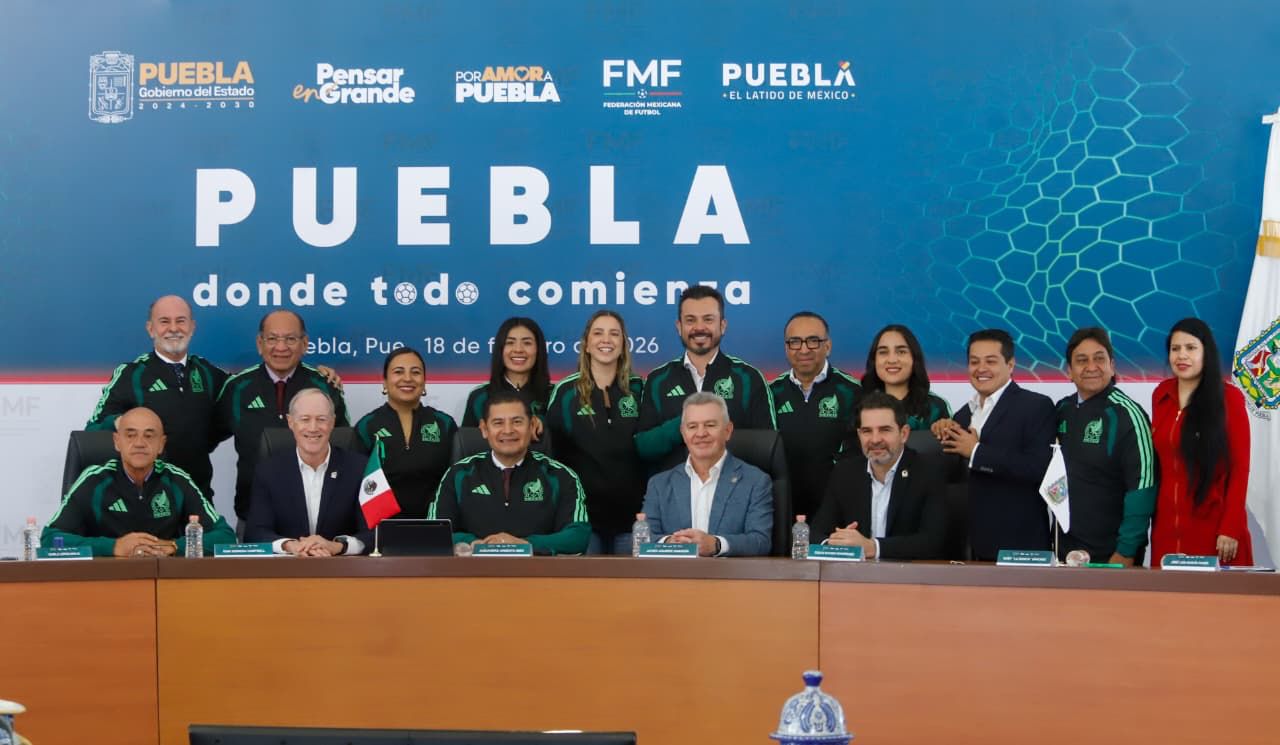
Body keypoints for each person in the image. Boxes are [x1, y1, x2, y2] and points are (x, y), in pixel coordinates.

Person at [85, 295, 228, 498]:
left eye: (180, 321)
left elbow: (230, 417)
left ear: (192, 327)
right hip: (145, 499)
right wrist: (120, 422)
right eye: (164, 321)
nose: (173, 328)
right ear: (151, 329)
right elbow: (93, 429)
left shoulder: (208, 373)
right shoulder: (130, 375)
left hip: (198, 497)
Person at [216, 310, 350, 525]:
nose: (281, 347)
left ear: (304, 344)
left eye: (290, 339)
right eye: (272, 339)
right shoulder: (237, 388)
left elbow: (344, 447)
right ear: (260, 343)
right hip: (254, 516)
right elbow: (205, 437)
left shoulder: (324, 385)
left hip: (318, 517)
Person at [932, 329, 1056, 560]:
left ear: (1010, 365)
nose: (981, 369)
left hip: (1020, 546)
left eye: (990, 361)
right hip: (971, 547)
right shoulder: (961, 415)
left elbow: (1039, 468)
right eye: (974, 362)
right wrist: (942, 432)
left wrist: (976, 452)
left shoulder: (1035, 406)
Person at [43, 407, 234, 556]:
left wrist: (174, 546)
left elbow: (225, 536)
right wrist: (113, 547)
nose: (140, 443)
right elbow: (49, 538)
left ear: (161, 444)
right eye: (130, 435)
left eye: (149, 436)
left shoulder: (177, 480)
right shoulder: (93, 480)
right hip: (105, 580)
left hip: (164, 580)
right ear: (117, 442)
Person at [430, 390, 590, 554]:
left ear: (532, 426)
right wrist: (474, 544)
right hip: (473, 567)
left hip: (538, 568)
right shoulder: (458, 475)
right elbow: (434, 532)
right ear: (484, 429)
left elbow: (578, 536)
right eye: (498, 423)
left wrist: (525, 544)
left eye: (517, 422)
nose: (508, 430)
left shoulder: (561, 476)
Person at [636, 286, 775, 468]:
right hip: (674, 486)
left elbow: (767, 448)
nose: (699, 327)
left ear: (722, 326)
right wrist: (685, 423)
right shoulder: (658, 380)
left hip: (734, 484)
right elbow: (643, 448)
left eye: (708, 319)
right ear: (679, 327)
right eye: (690, 320)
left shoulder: (748, 378)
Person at [1151, 318, 1252, 566]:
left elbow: (1239, 468)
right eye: (1175, 349)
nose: (1182, 355)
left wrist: (1230, 527)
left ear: (1206, 352)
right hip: (1166, 529)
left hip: (1215, 531)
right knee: (1166, 591)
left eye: (1191, 348)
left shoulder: (1229, 398)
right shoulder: (1161, 394)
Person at [1054, 327, 1155, 565]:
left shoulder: (1128, 414)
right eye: (1082, 360)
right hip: (1063, 551)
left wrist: (1126, 551)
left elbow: (1143, 487)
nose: (1091, 367)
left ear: (1112, 366)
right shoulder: (1061, 410)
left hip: (1111, 555)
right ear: (1069, 371)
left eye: (1099, 359)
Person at [547, 310, 646, 554]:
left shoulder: (638, 389)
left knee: (633, 580)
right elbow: (552, 458)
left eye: (614, 334)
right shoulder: (566, 392)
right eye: (598, 333)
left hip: (632, 521)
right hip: (584, 522)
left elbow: (649, 448)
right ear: (586, 344)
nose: (606, 340)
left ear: (623, 345)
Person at [811, 392, 947, 560]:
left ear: (904, 434)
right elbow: (816, 533)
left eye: (884, 430)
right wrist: (834, 545)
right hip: (854, 573)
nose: (875, 440)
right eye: (867, 431)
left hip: (909, 573)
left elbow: (933, 542)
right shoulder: (845, 472)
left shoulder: (928, 472)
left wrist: (874, 547)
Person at [640, 392, 774, 556]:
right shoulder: (659, 484)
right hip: (675, 571)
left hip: (730, 572)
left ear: (728, 430)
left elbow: (760, 542)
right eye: (692, 426)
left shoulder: (756, 481)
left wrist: (716, 544)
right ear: (683, 433)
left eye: (710, 425)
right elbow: (642, 538)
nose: (701, 433)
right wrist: (669, 543)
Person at [244, 389, 370, 556]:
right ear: (291, 422)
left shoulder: (360, 468)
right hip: (287, 568)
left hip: (343, 568)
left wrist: (337, 546)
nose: (313, 428)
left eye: (321, 419)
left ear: (332, 422)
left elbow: (374, 533)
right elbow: (255, 532)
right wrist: (289, 545)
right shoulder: (268, 471)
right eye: (305, 419)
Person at [768, 311, 861, 518]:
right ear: (786, 348)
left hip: (838, 507)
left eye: (813, 341)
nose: (804, 349)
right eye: (795, 342)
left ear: (828, 346)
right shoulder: (771, 393)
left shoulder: (853, 392)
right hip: (783, 508)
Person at [353, 347, 458, 518]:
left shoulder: (444, 424)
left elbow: (456, 481)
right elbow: (357, 484)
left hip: (436, 523)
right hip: (381, 525)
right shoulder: (367, 426)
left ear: (424, 381)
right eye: (398, 372)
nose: (408, 378)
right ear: (385, 382)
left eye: (415, 372)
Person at [461, 317, 551, 437]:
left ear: (539, 349)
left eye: (527, 343)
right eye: (510, 343)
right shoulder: (480, 397)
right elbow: (467, 442)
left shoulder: (555, 395)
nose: (518, 349)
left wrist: (542, 422)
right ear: (500, 349)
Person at [860, 324, 951, 431]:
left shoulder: (935, 407)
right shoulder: (859, 405)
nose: (892, 360)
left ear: (914, 358)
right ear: (874, 360)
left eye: (901, 352)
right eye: (883, 352)